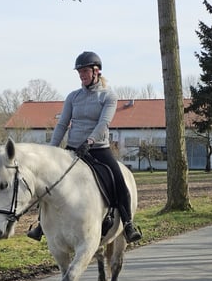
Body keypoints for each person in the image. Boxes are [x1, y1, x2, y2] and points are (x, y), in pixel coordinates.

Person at [27, 51, 142, 243]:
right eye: (79, 72)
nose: (82, 75)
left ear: (96, 71)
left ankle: (128, 224)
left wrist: (89, 141)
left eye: (85, 71)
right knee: (50, 181)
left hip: (98, 148)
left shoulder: (108, 96)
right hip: (73, 148)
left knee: (118, 179)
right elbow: (62, 124)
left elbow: (103, 123)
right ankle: (41, 224)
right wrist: (51, 149)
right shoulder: (73, 97)